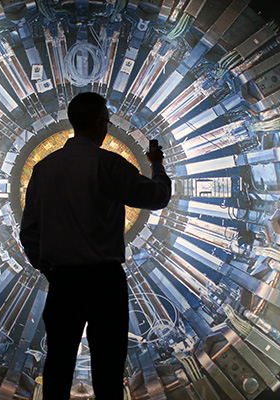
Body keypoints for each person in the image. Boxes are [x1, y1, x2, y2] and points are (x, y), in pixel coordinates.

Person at [20, 92, 171, 399]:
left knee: (59, 366)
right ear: (101, 122)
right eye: (107, 120)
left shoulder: (43, 169)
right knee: (108, 369)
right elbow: (157, 197)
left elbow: (29, 232)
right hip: (105, 281)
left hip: (63, 282)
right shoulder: (107, 164)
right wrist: (156, 165)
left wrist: (49, 269)